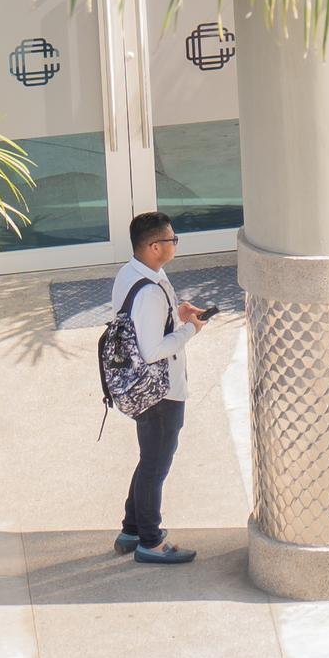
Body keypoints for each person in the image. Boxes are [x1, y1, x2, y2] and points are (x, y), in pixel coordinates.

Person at [107, 212, 212, 566]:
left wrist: (178, 311)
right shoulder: (149, 293)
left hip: (141, 387)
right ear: (154, 247)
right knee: (155, 466)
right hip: (160, 392)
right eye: (172, 240)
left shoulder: (133, 273)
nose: (175, 244)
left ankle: (131, 529)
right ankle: (150, 541)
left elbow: (145, 321)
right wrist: (189, 331)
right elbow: (152, 350)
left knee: (148, 460)